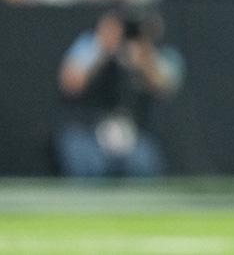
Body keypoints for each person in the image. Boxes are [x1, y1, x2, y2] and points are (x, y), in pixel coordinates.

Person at [56, 10, 183, 177]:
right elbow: (70, 84)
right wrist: (103, 48)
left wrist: (144, 57)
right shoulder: (91, 43)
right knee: (89, 165)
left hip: (133, 134)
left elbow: (164, 89)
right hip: (88, 130)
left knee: (144, 164)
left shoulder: (153, 51)